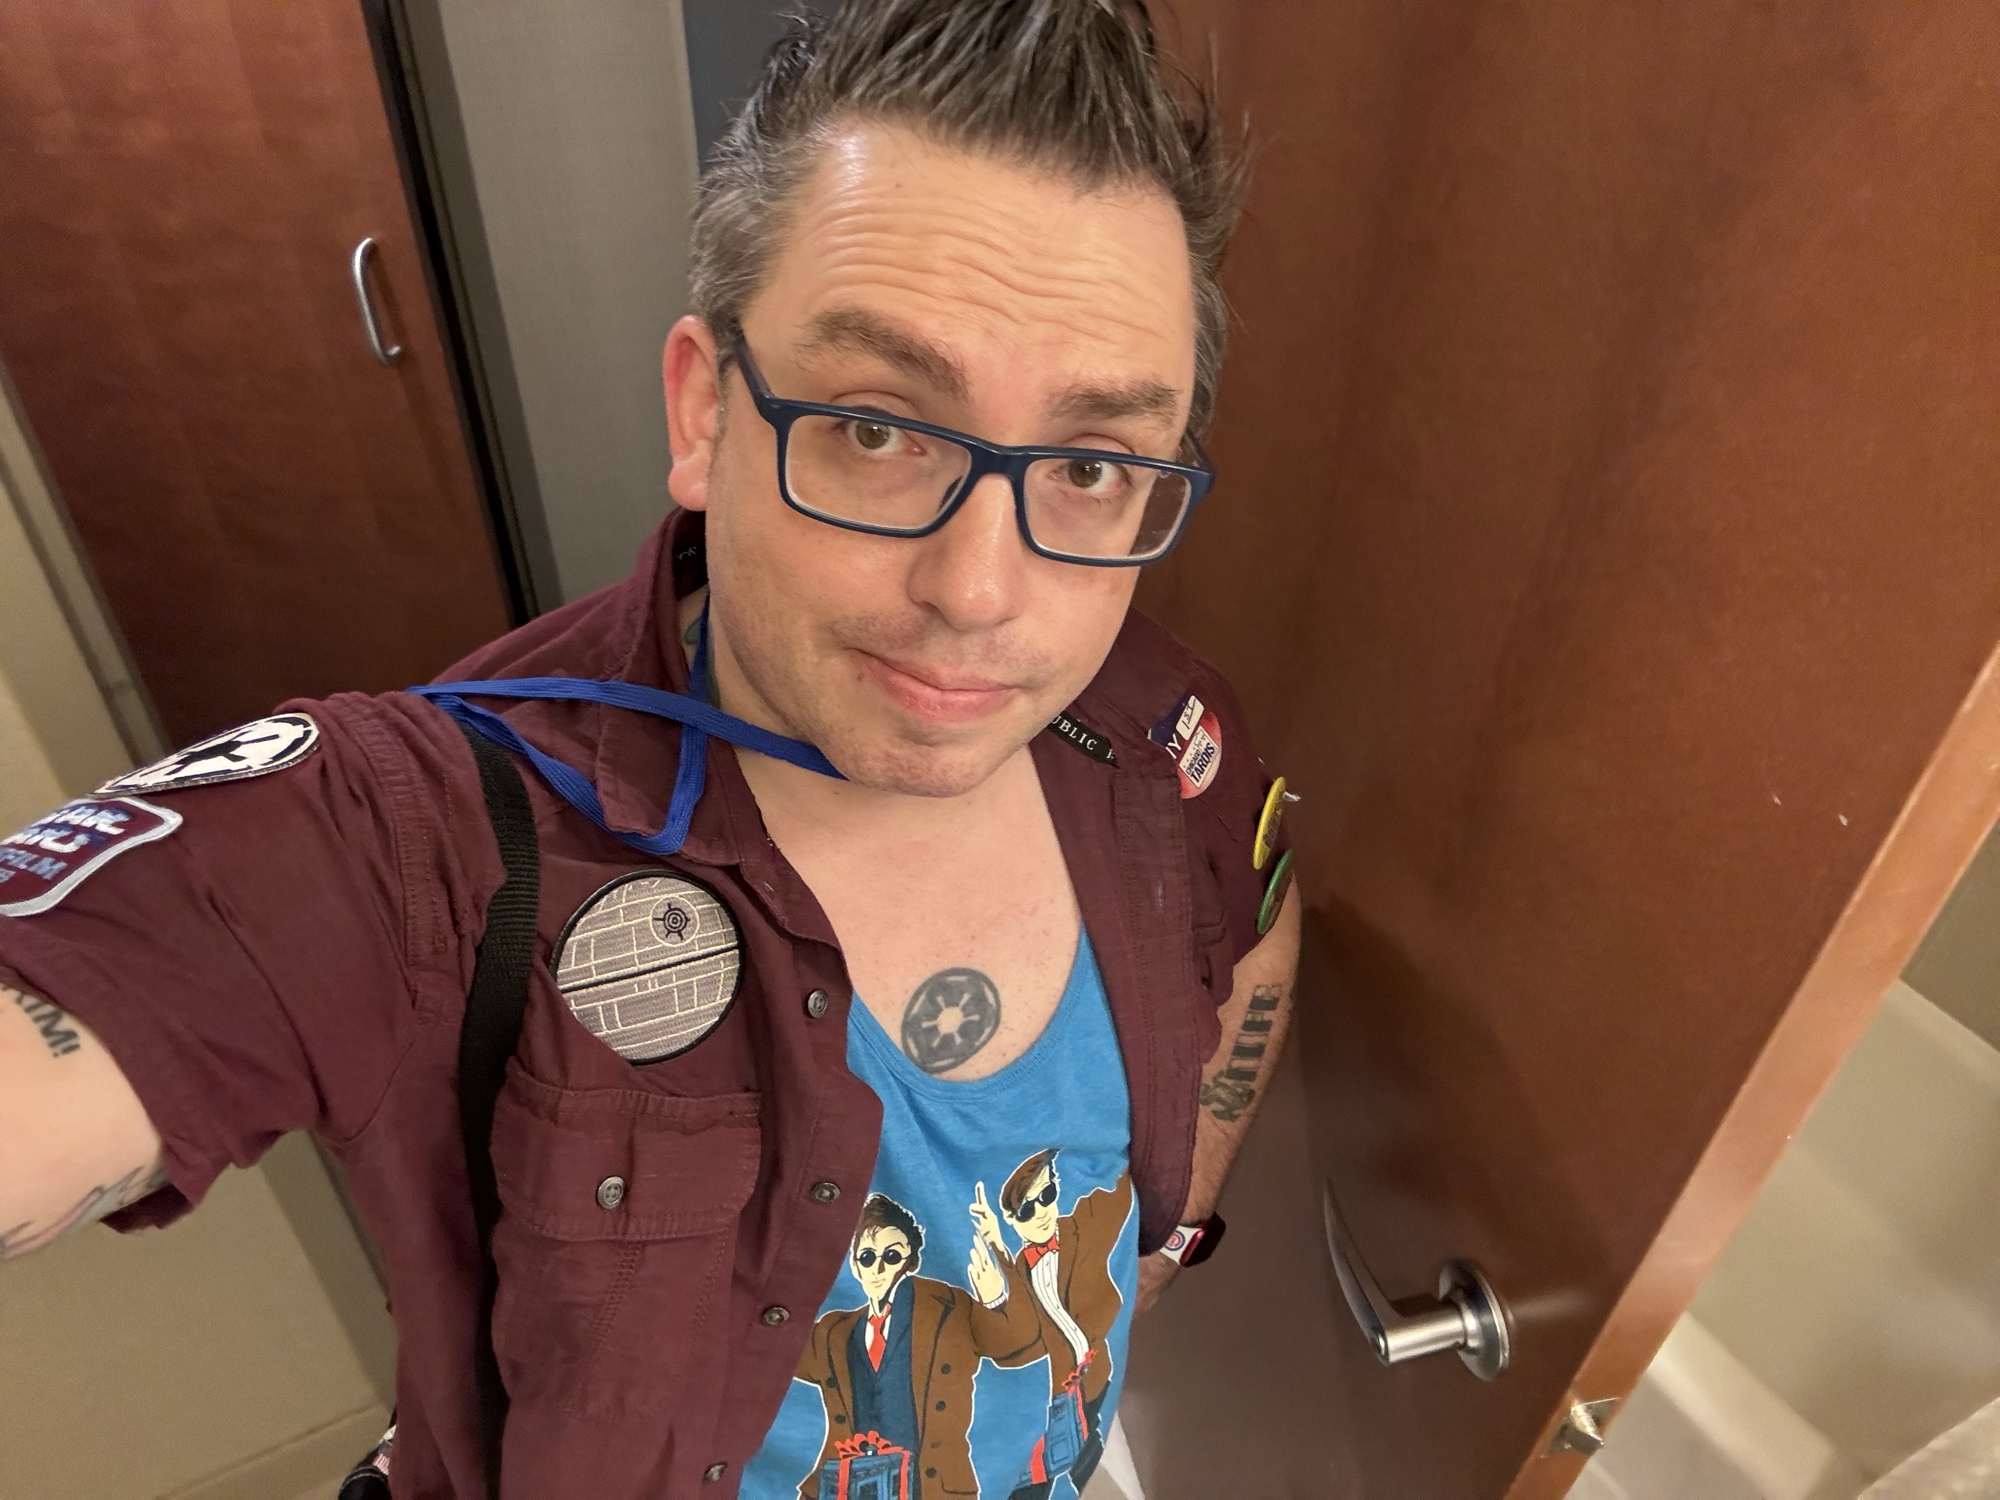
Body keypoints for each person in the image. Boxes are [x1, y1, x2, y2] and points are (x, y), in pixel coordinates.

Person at [0, 1, 1301, 1496]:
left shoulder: (1152, 725)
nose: (980, 593)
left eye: (1087, 465)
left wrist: (1160, 1238)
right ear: (703, 411)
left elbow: (1260, 906)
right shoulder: (442, 829)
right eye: (878, 429)